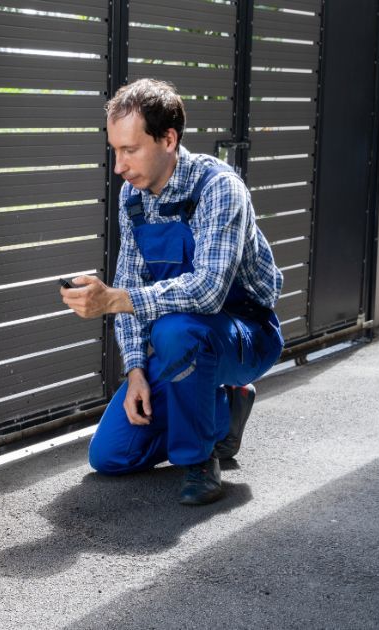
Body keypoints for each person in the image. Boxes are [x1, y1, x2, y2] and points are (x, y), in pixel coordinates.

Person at [60, 79, 284, 505]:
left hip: (246, 334)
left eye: (129, 150)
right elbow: (128, 284)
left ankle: (199, 460)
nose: (119, 167)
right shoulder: (134, 199)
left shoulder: (219, 188)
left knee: (175, 331)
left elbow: (208, 291)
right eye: (114, 150)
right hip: (183, 344)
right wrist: (136, 372)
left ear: (168, 139)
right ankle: (224, 410)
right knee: (109, 455)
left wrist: (113, 299)